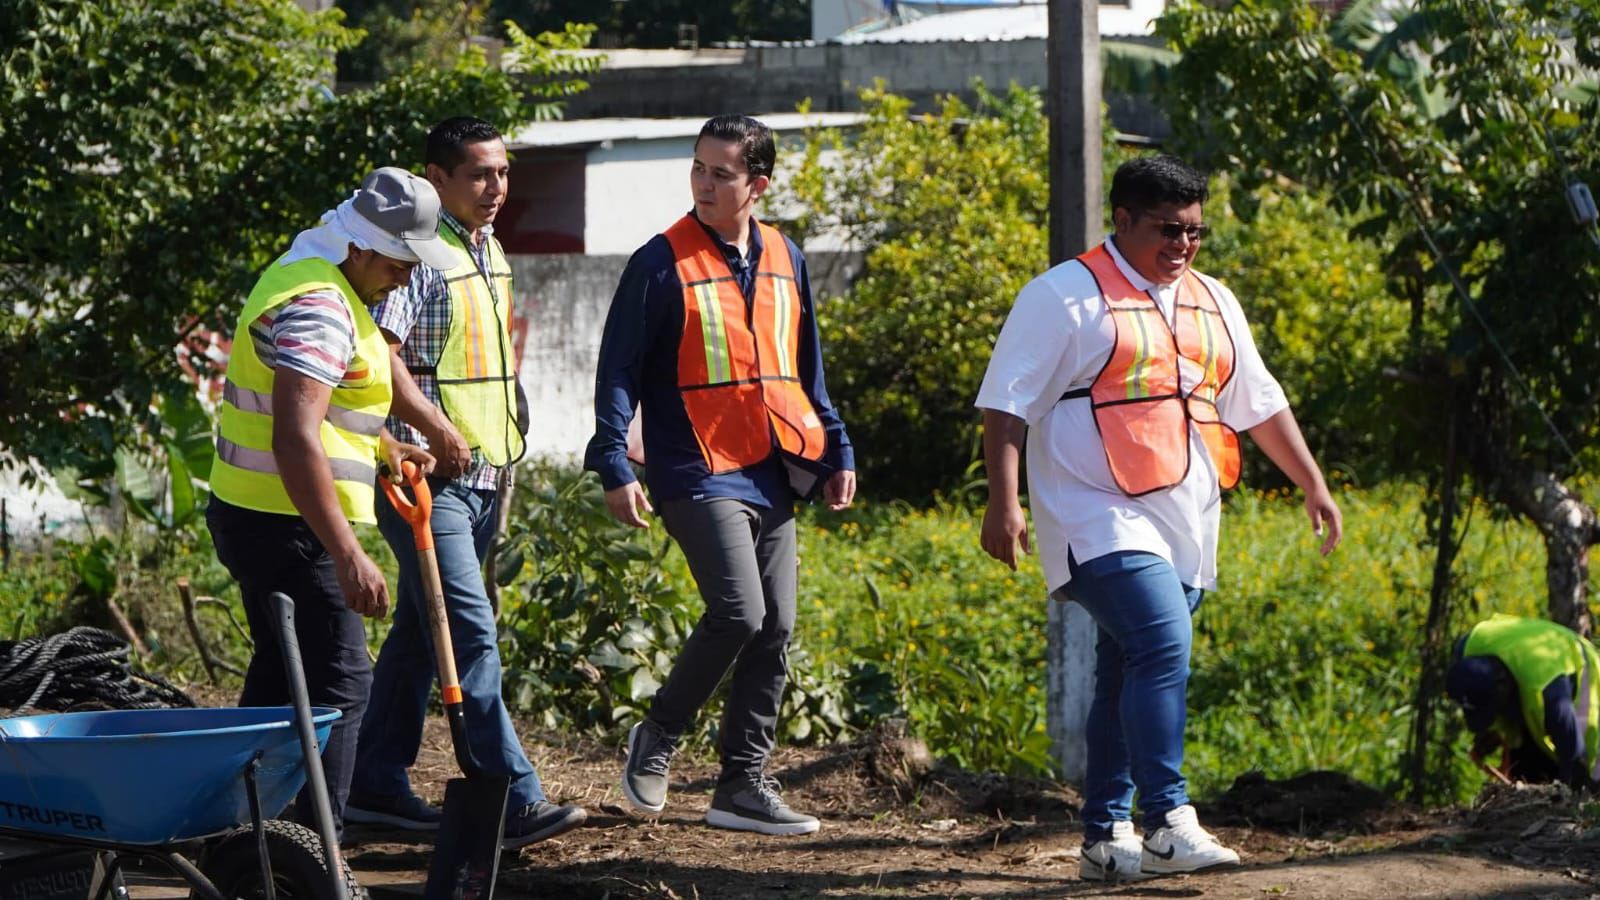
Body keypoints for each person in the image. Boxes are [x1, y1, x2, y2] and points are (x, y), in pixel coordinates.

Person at [974, 154, 1343, 881]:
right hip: (1093, 512)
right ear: (1123, 221)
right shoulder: (1064, 295)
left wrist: (1312, 481)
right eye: (1169, 231)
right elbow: (1006, 401)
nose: (1183, 247)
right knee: (1162, 642)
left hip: (1184, 516)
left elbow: (1258, 400)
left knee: (1126, 670)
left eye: (1196, 233)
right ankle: (1168, 820)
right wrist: (1004, 501)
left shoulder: (1213, 299)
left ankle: (1106, 836)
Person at [584, 114, 856, 836]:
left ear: (757, 184)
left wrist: (837, 451)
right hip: (693, 465)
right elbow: (618, 370)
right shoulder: (657, 260)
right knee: (740, 611)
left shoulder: (785, 258)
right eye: (698, 169)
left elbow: (805, 368)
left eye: (722, 173)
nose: (705, 184)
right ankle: (659, 737)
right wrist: (614, 461)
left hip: (773, 465)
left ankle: (741, 786)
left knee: (776, 628)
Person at [346, 117, 588, 848]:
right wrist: (435, 427)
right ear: (437, 179)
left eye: (503, 172)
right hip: (423, 478)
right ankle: (510, 799)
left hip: (481, 477)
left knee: (424, 636)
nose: (496, 188)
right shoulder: (416, 253)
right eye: (480, 174)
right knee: (472, 633)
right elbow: (377, 358)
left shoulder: (490, 250)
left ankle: (372, 787)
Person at [206, 167, 452, 834]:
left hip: (265, 517)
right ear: (365, 246)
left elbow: (339, 404)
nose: (406, 280)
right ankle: (318, 854)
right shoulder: (319, 303)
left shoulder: (324, 276)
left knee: (281, 683)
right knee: (345, 682)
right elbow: (294, 435)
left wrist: (386, 449)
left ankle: (239, 836)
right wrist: (347, 551)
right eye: (402, 264)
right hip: (285, 528)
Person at [1446, 613, 1600, 789]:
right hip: (1530, 660)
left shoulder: (1548, 694)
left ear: (1503, 685)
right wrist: (1495, 731)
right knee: (1524, 771)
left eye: (1492, 708)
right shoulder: (1468, 648)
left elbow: (1574, 755)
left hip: (1584, 668)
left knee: (1588, 775)